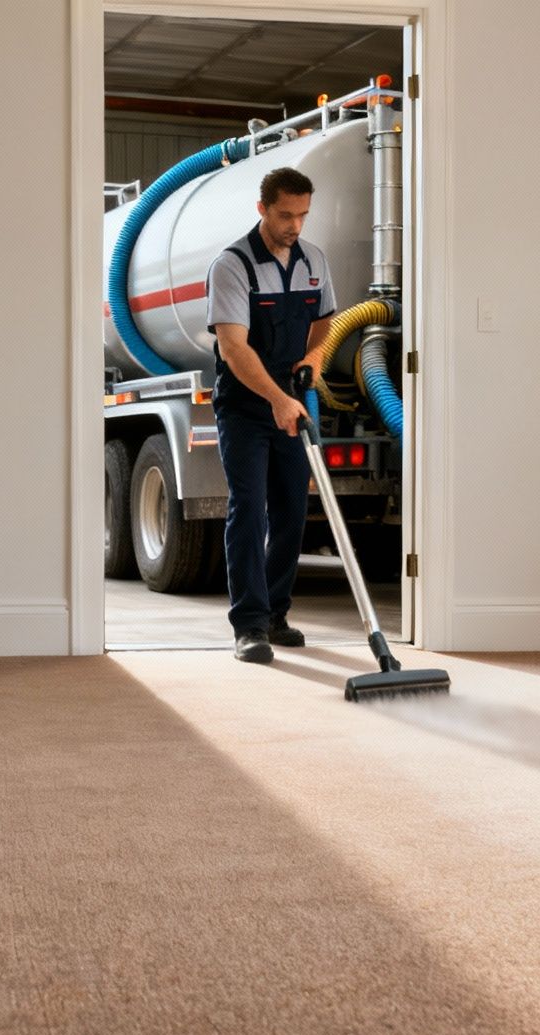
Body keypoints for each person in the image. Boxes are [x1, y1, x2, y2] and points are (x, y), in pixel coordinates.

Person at [203, 166, 335, 664]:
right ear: (262, 209)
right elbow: (234, 349)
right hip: (245, 405)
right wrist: (275, 399)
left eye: (303, 215)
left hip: (292, 399)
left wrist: (314, 358)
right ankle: (250, 624)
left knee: (291, 512)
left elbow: (324, 320)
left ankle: (277, 614)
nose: (295, 225)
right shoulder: (233, 265)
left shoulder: (314, 260)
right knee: (249, 507)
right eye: (285, 215)